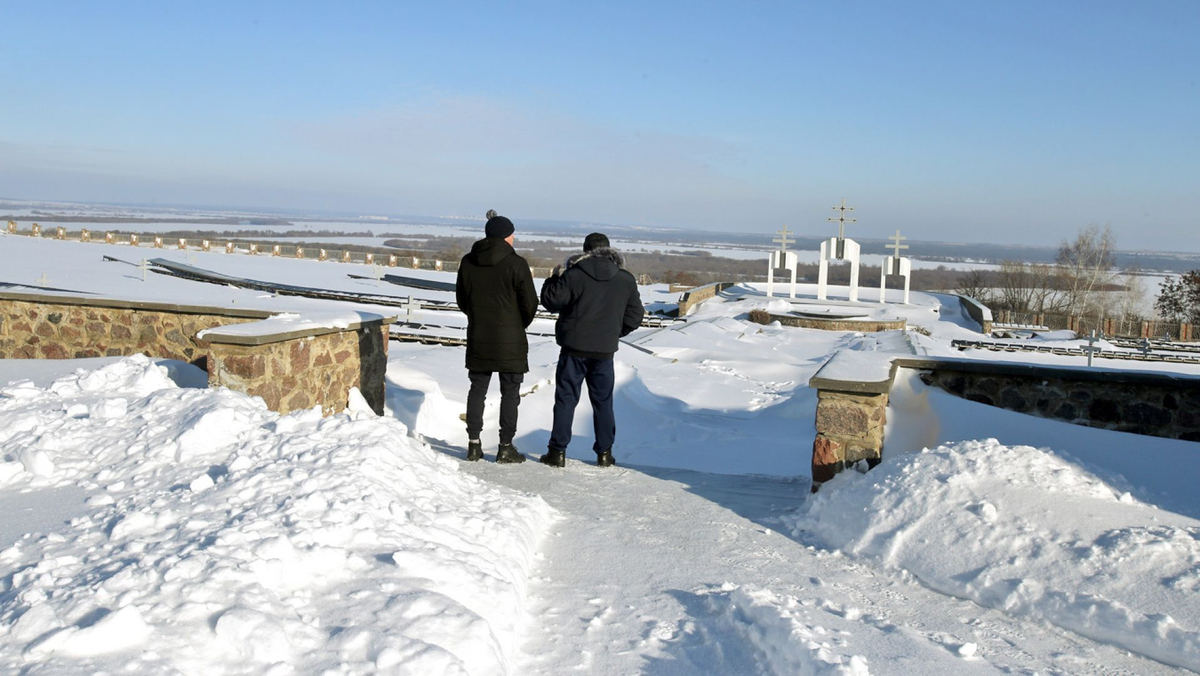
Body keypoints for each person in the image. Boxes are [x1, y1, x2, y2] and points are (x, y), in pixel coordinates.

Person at [538, 232, 644, 467]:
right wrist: (614, 332)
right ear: (609, 250)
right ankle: (604, 453)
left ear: (585, 251)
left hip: (573, 349)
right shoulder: (625, 279)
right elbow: (636, 315)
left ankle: (557, 453)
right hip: (604, 352)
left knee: (566, 400)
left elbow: (551, 301)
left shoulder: (574, 275)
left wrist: (553, 279)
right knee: (603, 402)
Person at [455, 210, 538, 463]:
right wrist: (516, 324)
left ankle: (473, 444)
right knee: (510, 392)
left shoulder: (468, 262)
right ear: (506, 237)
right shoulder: (517, 264)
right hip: (510, 339)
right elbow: (530, 303)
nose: (514, 239)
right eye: (512, 235)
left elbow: (462, 299)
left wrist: (477, 318)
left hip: (479, 334)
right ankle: (505, 446)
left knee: (477, 389)